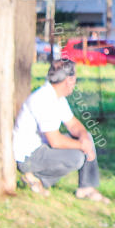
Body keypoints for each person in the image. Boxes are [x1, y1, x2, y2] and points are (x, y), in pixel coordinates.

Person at [12, 59, 109, 202]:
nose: (75, 82)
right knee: (77, 157)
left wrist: (83, 137)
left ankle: (86, 188)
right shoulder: (43, 99)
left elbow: (73, 124)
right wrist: (82, 146)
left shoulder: (57, 97)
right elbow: (55, 141)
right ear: (68, 80)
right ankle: (36, 178)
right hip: (29, 156)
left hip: (43, 148)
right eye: (75, 78)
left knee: (86, 137)